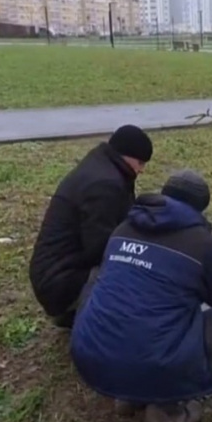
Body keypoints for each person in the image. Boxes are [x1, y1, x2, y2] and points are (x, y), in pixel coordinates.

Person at [70, 170, 212, 422]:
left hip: (89, 357)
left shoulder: (123, 229)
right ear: (200, 208)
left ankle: (128, 396)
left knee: (97, 282)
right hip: (153, 365)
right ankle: (168, 409)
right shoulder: (202, 243)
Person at [28, 124, 153, 329]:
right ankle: (85, 312)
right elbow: (102, 247)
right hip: (60, 282)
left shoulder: (102, 167)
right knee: (135, 275)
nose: (142, 170)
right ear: (125, 155)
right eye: (140, 163)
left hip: (54, 276)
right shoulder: (104, 185)